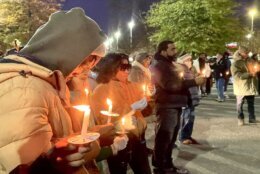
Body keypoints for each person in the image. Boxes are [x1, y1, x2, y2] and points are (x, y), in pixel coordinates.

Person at [0, 8, 107, 174]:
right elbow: (24, 164)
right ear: (67, 50)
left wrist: (91, 138)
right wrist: (54, 163)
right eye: (87, 60)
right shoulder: (25, 90)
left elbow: (53, 144)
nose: (86, 69)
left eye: (94, 62)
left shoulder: (47, 84)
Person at [91, 53, 152, 174]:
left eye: (128, 66)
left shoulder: (133, 86)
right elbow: (103, 118)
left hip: (138, 137)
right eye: (123, 67)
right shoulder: (102, 89)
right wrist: (131, 108)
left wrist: (149, 99)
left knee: (144, 170)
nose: (128, 71)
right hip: (118, 138)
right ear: (111, 68)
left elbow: (146, 110)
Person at [150, 40, 205, 174]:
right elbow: (170, 85)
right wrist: (193, 82)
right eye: (172, 49)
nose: (175, 51)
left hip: (174, 104)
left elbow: (177, 81)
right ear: (163, 51)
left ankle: (167, 164)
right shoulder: (159, 65)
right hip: (167, 106)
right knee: (165, 138)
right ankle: (162, 168)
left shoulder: (168, 63)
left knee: (171, 138)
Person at [231, 46, 259, 126]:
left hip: (250, 85)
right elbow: (236, 75)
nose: (246, 54)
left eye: (247, 53)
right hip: (241, 86)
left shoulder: (250, 60)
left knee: (251, 103)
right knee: (240, 104)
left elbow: (256, 67)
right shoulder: (236, 63)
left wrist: (256, 68)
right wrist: (249, 74)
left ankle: (252, 118)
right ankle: (240, 119)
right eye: (245, 53)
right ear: (240, 52)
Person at [177, 54, 200, 145]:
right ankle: (182, 137)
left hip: (191, 97)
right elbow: (181, 84)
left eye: (191, 60)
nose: (190, 61)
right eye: (188, 60)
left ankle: (188, 135)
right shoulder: (180, 69)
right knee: (185, 118)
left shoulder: (189, 69)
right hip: (185, 98)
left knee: (191, 118)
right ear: (183, 60)